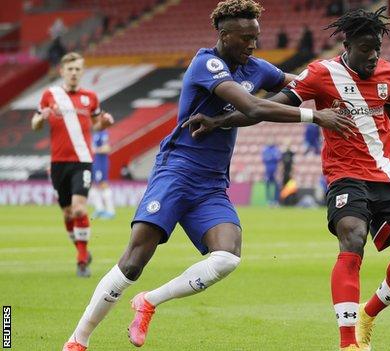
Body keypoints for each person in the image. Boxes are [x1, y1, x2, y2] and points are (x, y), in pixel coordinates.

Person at [60, 1, 353, 350]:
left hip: (212, 184)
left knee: (227, 256)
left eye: (256, 37)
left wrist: (354, 79)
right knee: (135, 260)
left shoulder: (256, 68)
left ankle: (149, 301)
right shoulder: (206, 63)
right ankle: (78, 341)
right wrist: (315, 117)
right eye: (246, 38)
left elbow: (305, 84)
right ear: (224, 35)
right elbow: (253, 108)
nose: (253, 45)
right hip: (176, 171)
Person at [188, 7, 390, 351]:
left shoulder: (387, 75)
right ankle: (348, 342)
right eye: (366, 48)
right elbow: (269, 105)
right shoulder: (321, 74)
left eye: (377, 49)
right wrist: (221, 121)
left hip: (387, 177)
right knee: (353, 237)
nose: (373, 55)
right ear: (347, 44)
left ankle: (369, 312)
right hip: (345, 177)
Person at [31, 52, 114, 279]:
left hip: (82, 161)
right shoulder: (51, 95)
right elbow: (35, 124)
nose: (74, 73)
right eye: (70, 69)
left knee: (79, 209)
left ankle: (81, 261)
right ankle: (82, 251)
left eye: (78, 69)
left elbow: (97, 125)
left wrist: (104, 123)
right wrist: (41, 117)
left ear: (82, 71)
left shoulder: (91, 97)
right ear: (62, 72)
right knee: (68, 214)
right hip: (58, 163)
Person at [91, 129, 115, 219]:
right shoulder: (95, 133)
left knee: (103, 184)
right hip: (95, 162)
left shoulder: (103, 134)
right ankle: (99, 209)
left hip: (101, 163)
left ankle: (110, 211)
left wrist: (95, 149)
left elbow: (107, 148)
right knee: (93, 185)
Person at [262, 141, 282, 206]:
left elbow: (278, 158)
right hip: (268, 171)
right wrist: (272, 158)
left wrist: (270, 158)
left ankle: (275, 200)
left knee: (276, 186)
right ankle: (269, 201)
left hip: (275, 170)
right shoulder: (265, 149)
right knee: (268, 186)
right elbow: (264, 159)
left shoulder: (276, 149)